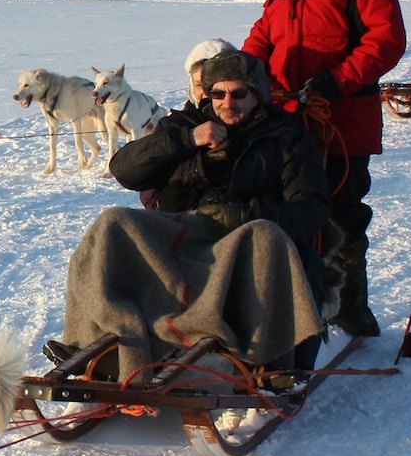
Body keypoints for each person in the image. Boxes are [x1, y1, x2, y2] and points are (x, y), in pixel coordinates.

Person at [58, 50, 333, 380]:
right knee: (113, 222)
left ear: (256, 94)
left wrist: (246, 215)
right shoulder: (185, 124)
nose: (227, 102)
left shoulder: (286, 136)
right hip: (182, 236)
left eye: (238, 94)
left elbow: (312, 209)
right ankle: (95, 344)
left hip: (246, 243)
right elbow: (124, 169)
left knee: (265, 234)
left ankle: (270, 362)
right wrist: (187, 140)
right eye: (218, 93)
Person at [242, 0, 406, 338]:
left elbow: (386, 41)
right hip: (285, 121)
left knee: (340, 213)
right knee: (286, 209)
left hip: (341, 123)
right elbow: (260, 40)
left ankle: (349, 306)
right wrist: (236, 76)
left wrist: (337, 81)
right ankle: (295, 301)